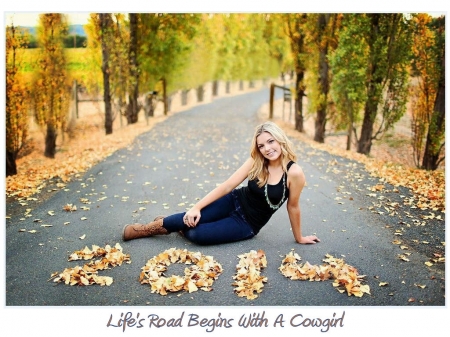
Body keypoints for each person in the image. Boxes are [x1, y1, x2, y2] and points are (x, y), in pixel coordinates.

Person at [122, 121, 320, 246]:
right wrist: (197, 207)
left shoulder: (294, 173)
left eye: (270, 142)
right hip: (232, 201)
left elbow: (293, 206)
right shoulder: (256, 161)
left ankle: (174, 226)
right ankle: (147, 229)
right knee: (189, 216)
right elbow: (227, 186)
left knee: (197, 234)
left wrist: (299, 237)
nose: (267, 149)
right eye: (261, 145)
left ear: (280, 140)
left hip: (246, 224)